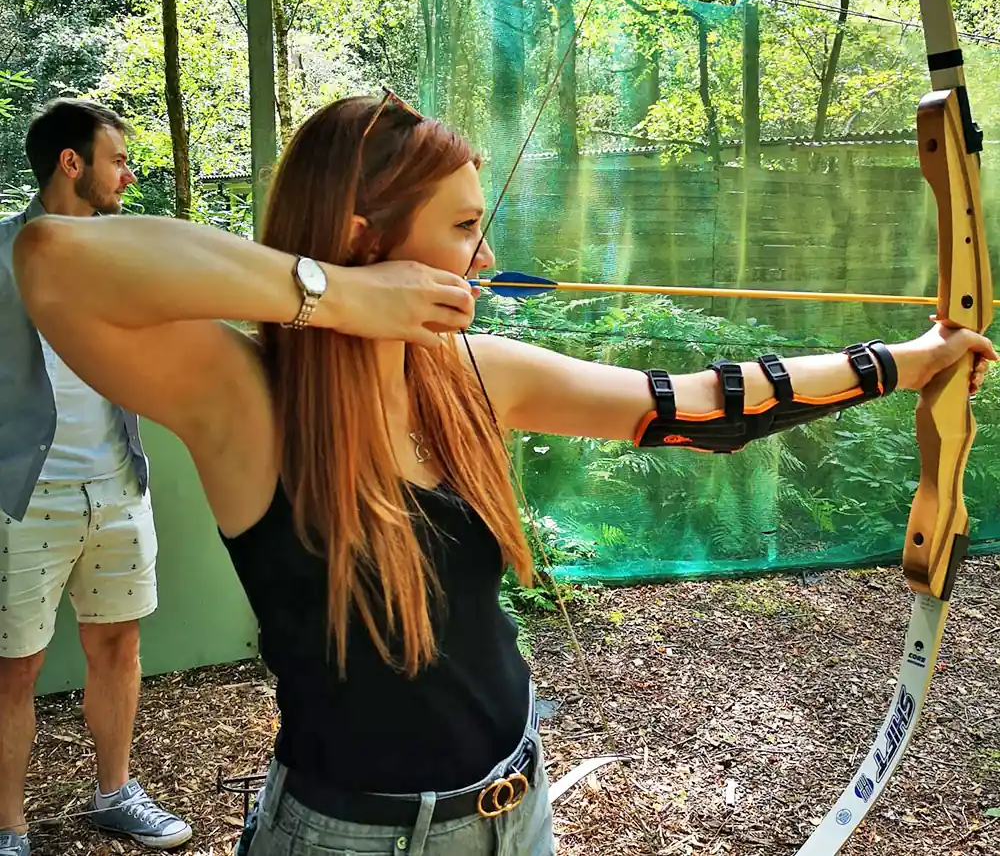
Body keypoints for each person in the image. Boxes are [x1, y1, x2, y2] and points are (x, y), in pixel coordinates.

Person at [10, 91, 994, 856]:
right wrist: (342, 298)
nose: (484, 257)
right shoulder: (246, 401)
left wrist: (907, 362)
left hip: (515, 813)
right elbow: (53, 259)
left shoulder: (471, 376)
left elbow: (692, 406)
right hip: (353, 835)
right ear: (365, 238)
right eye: (461, 228)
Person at [0, 99, 192, 856]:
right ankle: (8, 828)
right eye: (117, 158)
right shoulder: (4, 252)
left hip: (117, 486)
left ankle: (115, 793)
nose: (128, 172)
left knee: (119, 645)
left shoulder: (123, 252)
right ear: (70, 163)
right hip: (23, 499)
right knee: (14, 667)